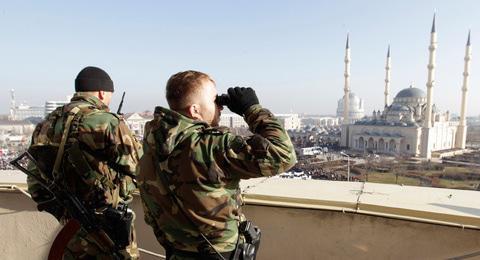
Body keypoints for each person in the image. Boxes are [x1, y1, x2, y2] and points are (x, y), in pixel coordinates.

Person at [138, 70, 297, 259]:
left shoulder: (151, 142)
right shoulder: (211, 145)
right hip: (219, 253)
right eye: (216, 101)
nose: (220, 107)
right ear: (195, 110)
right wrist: (252, 109)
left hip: (176, 251)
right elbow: (283, 155)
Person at [26, 66, 143, 259]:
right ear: (101, 93)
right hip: (108, 228)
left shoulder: (47, 123)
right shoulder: (107, 122)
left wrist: (63, 210)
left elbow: (35, 179)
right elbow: (140, 168)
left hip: (69, 229)